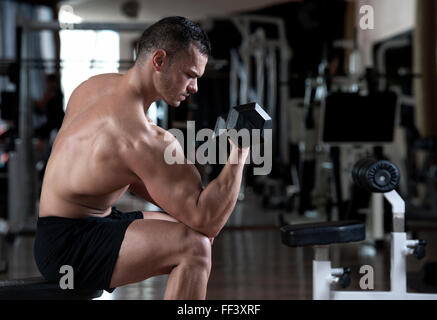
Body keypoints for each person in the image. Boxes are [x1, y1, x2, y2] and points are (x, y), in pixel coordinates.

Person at [34, 16, 249, 300]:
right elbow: (209, 220)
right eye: (190, 75)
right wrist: (242, 148)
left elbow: (112, 171)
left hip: (57, 231)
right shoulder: (142, 138)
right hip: (71, 250)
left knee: (186, 227)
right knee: (196, 247)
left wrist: (187, 212)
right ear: (159, 61)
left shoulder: (93, 86)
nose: (195, 87)